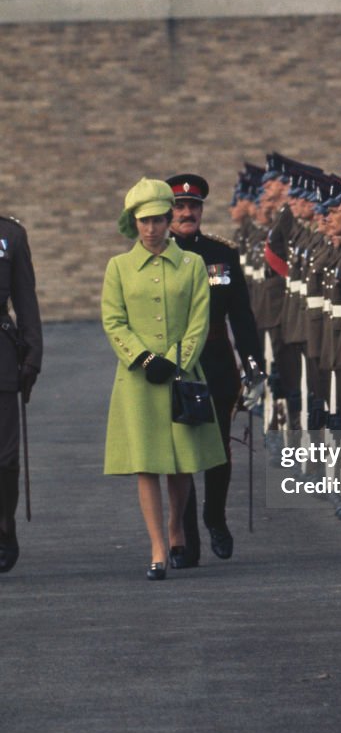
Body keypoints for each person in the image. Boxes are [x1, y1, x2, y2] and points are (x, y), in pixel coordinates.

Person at [101, 178, 225, 580]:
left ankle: (176, 526)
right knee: (146, 463)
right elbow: (113, 320)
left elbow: (199, 321)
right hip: (137, 379)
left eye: (158, 220)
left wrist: (175, 360)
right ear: (133, 223)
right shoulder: (118, 267)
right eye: (144, 221)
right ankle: (157, 544)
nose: (152, 229)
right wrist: (142, 356)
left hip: (180, 374)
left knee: (181, 464)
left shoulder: (191, 266)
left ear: (170, 220)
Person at [166, 174, 264, 564]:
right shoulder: (158, 254)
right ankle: (185, 539)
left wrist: (254, 364)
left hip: (216, 360)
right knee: (179, 454)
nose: (187, 212)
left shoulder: (221, 253)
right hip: (176, 365)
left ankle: (215, 517)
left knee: (218, 448)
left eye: (193, 206)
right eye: (179, 207)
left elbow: (241, 314)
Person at [0, 213, 42, 574]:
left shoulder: (10, 235)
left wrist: (32, 356)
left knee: (5, 458)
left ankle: (4, 525)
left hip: (1, 355)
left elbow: (25, 298)